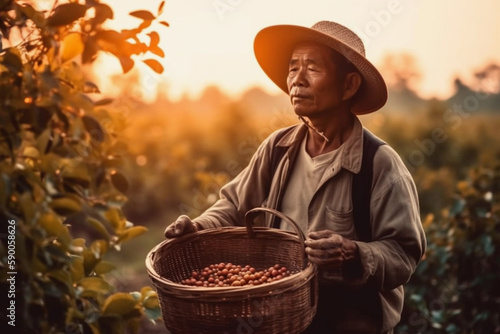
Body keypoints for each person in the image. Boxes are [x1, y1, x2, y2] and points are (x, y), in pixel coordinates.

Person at [164, 21, 426, 334]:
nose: (297, 80)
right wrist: (198, 227)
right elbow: (234, 205)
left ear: (349, 85)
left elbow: (403, 253)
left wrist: (354, 253)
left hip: (350, 323)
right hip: (281, 319)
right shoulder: (278, 148)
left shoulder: (378, 164)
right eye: (293, 68)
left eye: (312, 68)